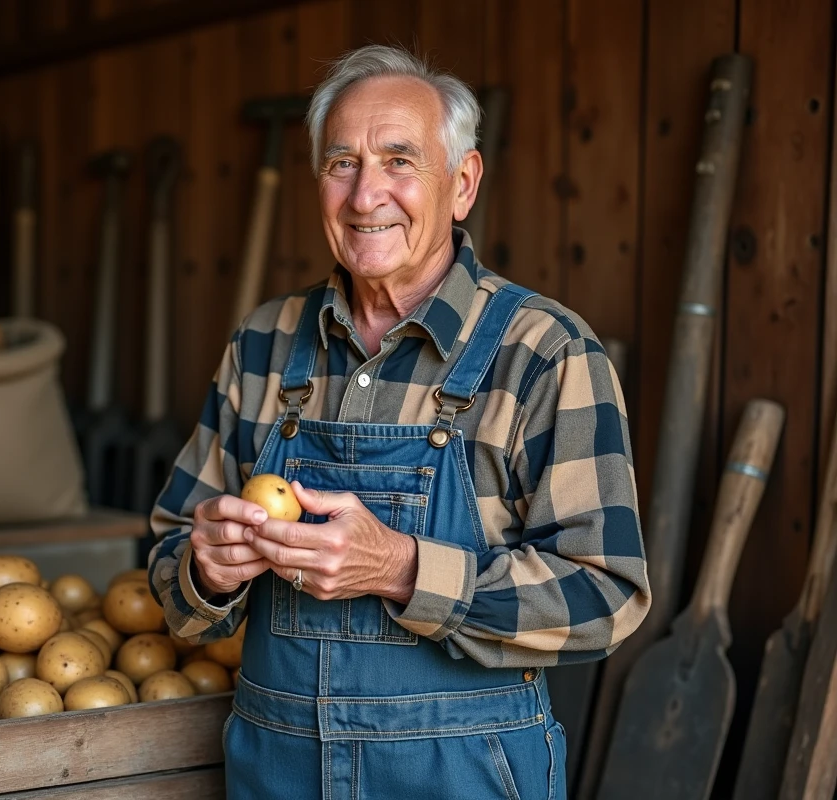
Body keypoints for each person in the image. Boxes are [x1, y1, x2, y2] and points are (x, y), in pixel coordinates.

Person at [148, 44, 650, 799]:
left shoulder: (543, 354)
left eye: (399, 161)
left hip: (460, 773)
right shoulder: (264, 343)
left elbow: (605, 595)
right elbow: (170, 563)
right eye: (341, 163)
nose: (364, 195)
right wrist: (206, 574)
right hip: (275, 769)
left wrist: (405, 570)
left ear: (463, 185)